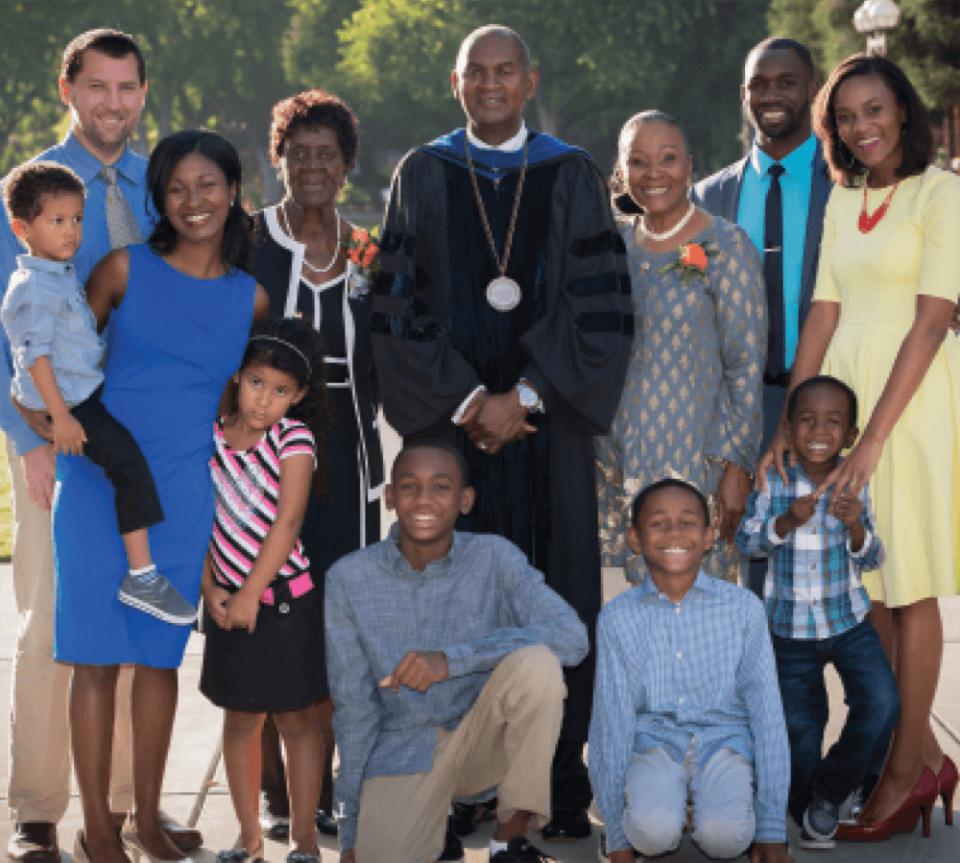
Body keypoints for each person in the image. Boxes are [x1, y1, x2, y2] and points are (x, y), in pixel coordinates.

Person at [370, 24, 632, 840]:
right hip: (454, 442)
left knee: (551, 596)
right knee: (446, 601)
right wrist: (466, 402)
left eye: (505, 71)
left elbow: (601, 303)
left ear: (529, 80)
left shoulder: (571, 173)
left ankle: (549, 778)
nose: (490, 84)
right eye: (475, 72)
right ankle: (458, 782)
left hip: (544, 431)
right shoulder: (422, 172)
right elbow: (394, 305)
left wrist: (525, 392)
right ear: (456, 83)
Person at [0, 28, 199, 862]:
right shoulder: (29, 190)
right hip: (57, 435)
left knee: (133, 617)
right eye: (98, 87)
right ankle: (39, 806)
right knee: (57, 619)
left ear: (144, 93)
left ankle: (121, 808)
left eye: (128, 89)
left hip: (139, 435)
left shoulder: (160, 187)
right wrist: (29, 438)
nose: (113, 104)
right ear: (68, 89)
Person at [49, 129, 268, 863]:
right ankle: (100, 830)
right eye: (177, 188)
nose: (193, 200)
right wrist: (41, 419)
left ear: (233, 191)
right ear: (160, 199)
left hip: (181, 492)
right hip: (95, 484)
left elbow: (259, 399)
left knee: (158, 657)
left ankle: (148, 817)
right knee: (95, 658)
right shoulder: (120, 269)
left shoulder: (251, 298)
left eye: (208, 185)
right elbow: (58, 355)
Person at [760, 53, 960, 842]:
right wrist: (790, 422)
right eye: (845, 116)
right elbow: (821, 313)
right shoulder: (845, 200)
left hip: (911, 405)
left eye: (874, 110)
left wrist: (874, 438)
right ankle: (926, 750)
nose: (861, 127)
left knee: (910, 589)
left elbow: (935, 316)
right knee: (864, 583)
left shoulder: (943, 192)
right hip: (840, 403)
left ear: (901, 110)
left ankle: (904, 775)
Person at [325, 440, 590, 863]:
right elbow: (352, 708)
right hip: (403, 749)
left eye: (441, 487)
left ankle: (509, 841)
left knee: (538, 666)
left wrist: (454, 660)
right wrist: (349, 832)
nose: (424, 500)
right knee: (377, 855)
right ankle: (437, 825)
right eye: (409, 487)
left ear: (464, 500)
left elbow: (572, 637)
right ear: (390, 497)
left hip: (483, 740)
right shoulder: (349, 579)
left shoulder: (494, 557)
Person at [248, 88, 384, 842]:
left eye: (325, 154)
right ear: (279, 159)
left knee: (336, 630)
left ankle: (323, 787)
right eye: (297, 153)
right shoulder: (250, 238)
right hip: (265, 460)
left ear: (347, 163)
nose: (311, 166)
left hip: (350, 467)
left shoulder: (368, 249)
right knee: (272, 622)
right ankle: (274, 789)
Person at [1, 161, 195, 624]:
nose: (71, 232)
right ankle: (142, 575)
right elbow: (35, 356)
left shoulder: (55, 272)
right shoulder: (31, 288)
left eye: (77, 220)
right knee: (130, 468)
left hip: (80, 391)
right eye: (57, 222)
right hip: (70, 404)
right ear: (21, 228)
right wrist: (60, 416)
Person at [597, 110, 765, 585]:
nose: (654, 174)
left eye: (668, 159)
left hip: (699, 466)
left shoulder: (726, 247)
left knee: (700, 609)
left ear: (690, 165)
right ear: (621, 171)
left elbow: (745, 364)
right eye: (638, 161)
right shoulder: (613, 246)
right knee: (630, 611)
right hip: (617, 462)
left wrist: (737, 467)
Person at [590, 478, 792, 863]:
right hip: (654, 745)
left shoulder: (743, 610)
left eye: (687, 522)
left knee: (726, 841)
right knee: (652, 835)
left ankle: (707, 800)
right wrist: (617, 837)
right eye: (658, 523)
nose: (674, 533)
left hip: (724, 743)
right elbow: (611, 723)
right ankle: (647, 803)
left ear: (709, 536)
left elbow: (767, 714)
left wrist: (771, 829)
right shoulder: (618, 618)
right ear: (634, 538)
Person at [737, 375, 899, 849]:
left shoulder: (854, 478)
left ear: (850, 435)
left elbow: (872, 557)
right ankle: (804, 804)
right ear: (787, 427)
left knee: (882, 703)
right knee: (800, 731)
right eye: (806, 419)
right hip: (788, 631)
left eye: (833, 422)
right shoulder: (773, 478)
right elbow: (747, 543)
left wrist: (853, 527)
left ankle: (827, 797)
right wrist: (785, 522)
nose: (819, 430)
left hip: (848, 621)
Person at [694, 37, 831, 597]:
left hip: (826, 405)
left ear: (813, 90)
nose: (770, 95)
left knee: (833, 586)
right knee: (737, 582)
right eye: (758, 84)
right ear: (743, 94)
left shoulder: (846, 187)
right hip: (735, 411)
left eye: (786, 82)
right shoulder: (708, 199)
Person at [200, 318, 329, 863]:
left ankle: (303, 841)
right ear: (238, 378)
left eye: (280, 391)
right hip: (228, 600)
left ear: (297, 396)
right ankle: (250, 835)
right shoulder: (210, 434)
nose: (264, 400)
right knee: (241, 719)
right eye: (257, 383)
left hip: (283, 601)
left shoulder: (293, 437)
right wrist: (211, 588)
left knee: (298, 720)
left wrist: (253, 590)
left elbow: (288, 520)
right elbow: (200, 519)